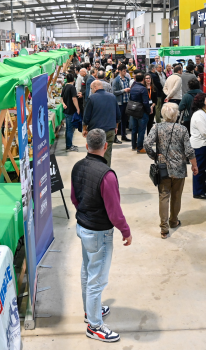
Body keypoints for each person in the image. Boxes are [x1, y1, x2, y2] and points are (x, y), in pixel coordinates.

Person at [71, 129, 132, 343]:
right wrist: (125, 230)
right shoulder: (107, 175)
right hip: (99, 233)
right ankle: (95, 326)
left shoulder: (78, 167)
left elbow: (74, 198)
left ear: (87, 145)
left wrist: (85, 213)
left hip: (83, 227)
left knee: (87, 271)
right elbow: (114, 212)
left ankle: (90, 311)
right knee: (97, 279)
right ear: (105, 146)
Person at [144, 103, 199, 239]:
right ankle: (173, 221)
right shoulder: (182, 129)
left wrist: (154, 156)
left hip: (163, 168)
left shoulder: (156, 127)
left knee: (164, 196)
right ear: (176, 114)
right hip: (179, 168)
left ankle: (164, 228)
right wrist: (194, 165)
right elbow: (189, 150)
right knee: (176, 195)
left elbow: (146, 144)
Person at [83, 81, 121, 166]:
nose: (92, 90)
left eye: (92, 88)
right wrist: (116, 127)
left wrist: (84, 129)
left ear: (96, 87)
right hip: (110, 130)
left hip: (96, 132)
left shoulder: (92, 98)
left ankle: (95, 172)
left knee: (94, 152)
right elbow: (118, 116)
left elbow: (86, 117)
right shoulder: (112, 97)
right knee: (107, 153)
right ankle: (106, 173)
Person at [129, 72, 151, 153]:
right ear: (143, 80)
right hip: (142, 111)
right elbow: (145, 102)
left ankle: (134, 145)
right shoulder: (143, 89)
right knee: (141, 130)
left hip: (134, 110)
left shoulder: (133, 88)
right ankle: (140, 147)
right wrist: (148, 111)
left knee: (134, 129)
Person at [112, 64, 131, 143]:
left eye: (125, 70)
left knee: (124, 120)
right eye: (123, 71)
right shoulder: (116, 80)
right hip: (119, 103)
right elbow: (114, 92)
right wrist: (124, 90)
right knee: (118, 121)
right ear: (119, 71)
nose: (125, 72)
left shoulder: (127, 79)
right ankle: (115, 137)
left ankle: (123, 135)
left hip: (126, 102)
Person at [62, 73, 81, 151]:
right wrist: (78, 108)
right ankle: (69, 146)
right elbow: (74, 99)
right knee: (70, 129)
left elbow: (61, 97)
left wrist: (63, 104)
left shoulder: (65, 87)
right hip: (71, 111)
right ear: (74, 79)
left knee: (68, 129)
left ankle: (69, 144)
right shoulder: (72, 87)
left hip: (66, 111)